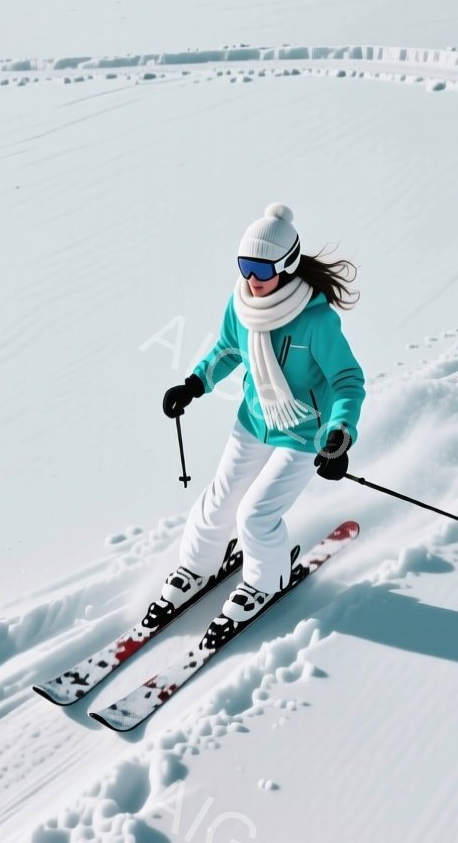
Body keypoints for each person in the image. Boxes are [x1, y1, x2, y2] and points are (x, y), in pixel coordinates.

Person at [159, 202, 366, 631]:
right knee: (220, 500)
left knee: (254, 514)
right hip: (254, 420)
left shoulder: (316, 321)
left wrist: (338, 436)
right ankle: (197, 566)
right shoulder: (241, 306)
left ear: (287, 265)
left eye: (262, 269)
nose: (252, 279)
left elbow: (346, 381)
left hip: (303, 432)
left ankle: (265, 580)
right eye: (245, 266)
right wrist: (194, 384)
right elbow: (228, 349)